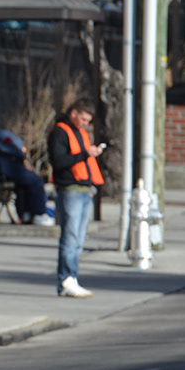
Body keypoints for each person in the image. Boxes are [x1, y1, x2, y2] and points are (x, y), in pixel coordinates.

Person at [48, 98, 104, 298]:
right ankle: (66, 279)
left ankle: (72, 278)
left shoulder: (79, 133)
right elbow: (59, 160)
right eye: (84, 119)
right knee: (70, 238)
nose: (86, 124)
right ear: (74, 113)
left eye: (89, 121)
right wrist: (84, 154)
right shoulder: (59, 133)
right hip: (70, 190)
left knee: (78, 239)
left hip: (84, 190)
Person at [0, 128, 51, 225]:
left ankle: (25, 213)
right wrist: (21, 157)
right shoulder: (7, 146)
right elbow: (17, 153)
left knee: (23, 183)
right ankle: (39, 214)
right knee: (35, 181)